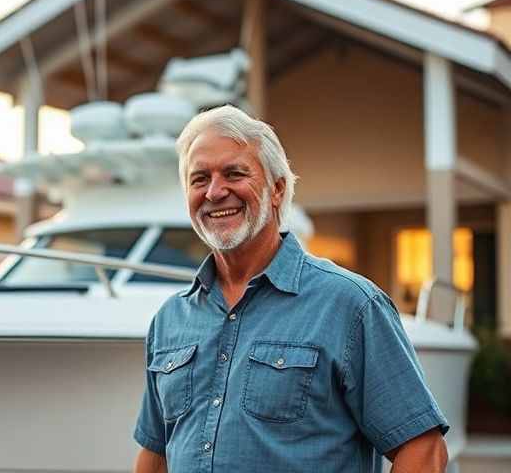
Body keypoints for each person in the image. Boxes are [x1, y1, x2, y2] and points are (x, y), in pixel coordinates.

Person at [132, 105, 449, 473]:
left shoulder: (351, 305)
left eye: (234, 173)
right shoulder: (170, 320)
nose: (215, 192)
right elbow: (155, 457)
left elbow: (424, 450)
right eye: (199, 179)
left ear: (277, 189)